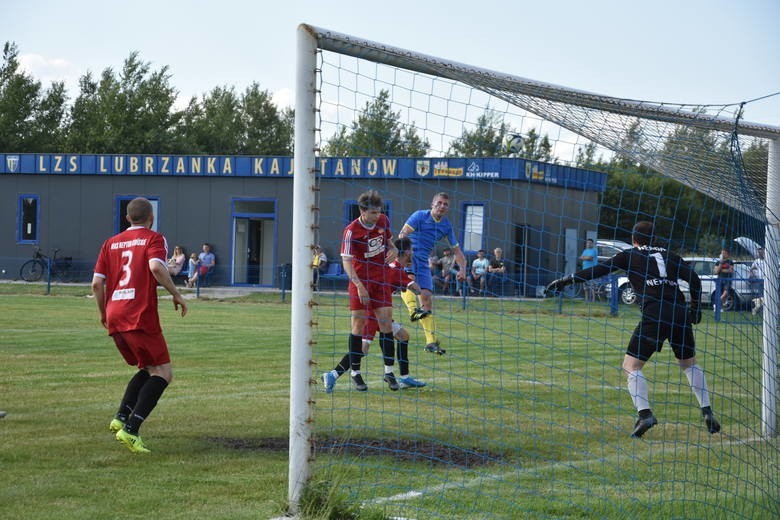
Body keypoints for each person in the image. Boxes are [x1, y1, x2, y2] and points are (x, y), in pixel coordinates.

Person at [546, 221, 720, 438]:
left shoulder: (628, 255)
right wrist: (695, 308)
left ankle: (645, 414)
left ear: (633, 239)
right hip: (679, 313)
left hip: (654, 313)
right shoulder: (671, 255)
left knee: (631, 365)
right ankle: (707, 411)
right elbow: (693, 279)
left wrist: (566, 280)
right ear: (655, 239)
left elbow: (598, 270)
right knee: (688, 364)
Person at [91, 197, 188, 454]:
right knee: (163, 373)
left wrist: (103, 312)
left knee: (147, 367)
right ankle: (131, 430)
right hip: (139, 314)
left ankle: (120, 417)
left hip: (114, 313)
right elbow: (156, 267)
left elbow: (96, 284)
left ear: (127, 218)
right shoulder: (154, 238)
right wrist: (176, 294)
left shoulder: (109, 243)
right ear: (151, 217)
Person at [321, 190, 399, 392]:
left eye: (378, 212)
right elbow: (346, 262)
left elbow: (390, 244)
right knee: (358, 325)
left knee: (386, 323)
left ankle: (389, 372)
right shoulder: (350, 231)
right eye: (373, 213)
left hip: (380, 279)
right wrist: (359, 285)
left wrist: (395, 250)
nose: (376, 216)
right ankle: (355, 373)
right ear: (362, 211)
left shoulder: (383, 221)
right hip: (360, 280)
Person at [398, 192, 467, 355]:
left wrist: (463, 268)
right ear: (432, 204)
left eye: (445, 204)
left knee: (427, 298)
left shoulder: (446, 225)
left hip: (423, 262)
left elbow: (457, 251)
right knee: (409, 282)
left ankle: (430, 343)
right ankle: (412, 310)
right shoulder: (419, 216)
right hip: (409, 256)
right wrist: (404, 253)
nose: (442, 206)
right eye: (440, 203)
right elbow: (403, 234)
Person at [360, 237, 426, 388]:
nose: (413, 253)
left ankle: (404, 377)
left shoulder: (392, 265)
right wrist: (417, 285)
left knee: (403, 336)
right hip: (374, 313)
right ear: (408, 252)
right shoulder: (396, 268)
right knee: (362, 350)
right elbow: (416, 289)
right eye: (412, 250)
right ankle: (334, 373)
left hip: (380, 311)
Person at [749, 247, 766, 315]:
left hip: (767, 281)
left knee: (766, 296)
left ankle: (760, 309)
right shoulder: (756, 261)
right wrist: (752, 275)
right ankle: (760, 310)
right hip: (760, 280)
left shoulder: (767, 260)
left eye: (761, 252)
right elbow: (751, 269)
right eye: (758, 252)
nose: (759, 253)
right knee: (761, 296)